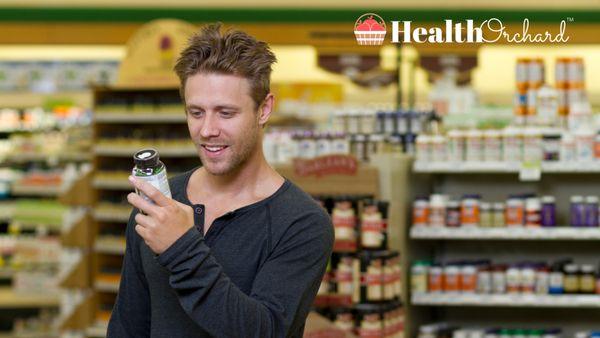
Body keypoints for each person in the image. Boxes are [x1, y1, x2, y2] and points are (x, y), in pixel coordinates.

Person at [107, 23, 334, 338]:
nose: (207, 130)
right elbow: (129, 325)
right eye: (196, 112)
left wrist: (181, 248)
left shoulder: (302, 223)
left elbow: (264, 331)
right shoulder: (159, 203)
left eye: (225, 113)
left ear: (264, 109)